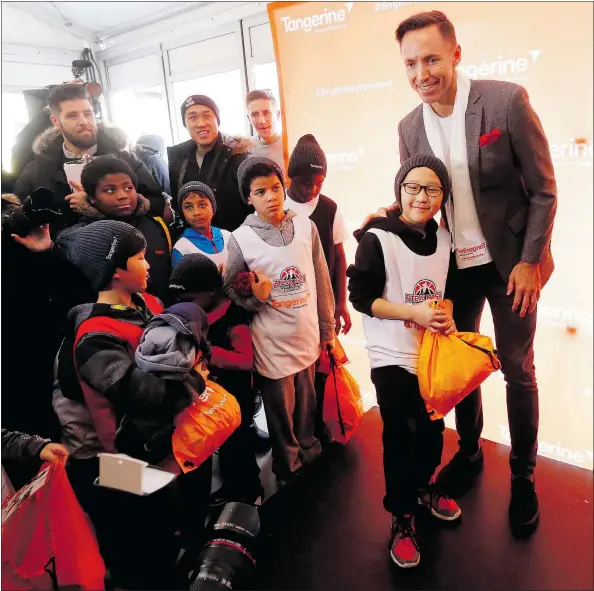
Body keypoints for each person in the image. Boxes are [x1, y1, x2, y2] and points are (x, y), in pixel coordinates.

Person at [362, 10, 557, 537]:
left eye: (430, 58)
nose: (421, 72)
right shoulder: (408, 127)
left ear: (455, 54)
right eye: (410, 63)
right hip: (452, 269)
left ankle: (524, 475)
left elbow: (543, 190)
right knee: (456, 364)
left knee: (517, 368)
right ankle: (470, 453)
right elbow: (417, 197)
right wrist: (382, 218)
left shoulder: (505, 101)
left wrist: (529, 261)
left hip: (512, 265)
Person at [52, 220, 210, 589]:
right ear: (116, 270)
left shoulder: (148, 303)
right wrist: (197, 377)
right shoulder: (94, 338)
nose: (150, 263)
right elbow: (145, 394)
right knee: (141, 548)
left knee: (172, 519)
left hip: (161, 446)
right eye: (140, 257)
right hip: (116, 461)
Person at [348, 154, 461, 568]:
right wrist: (413, 313)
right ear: (399, 190)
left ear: (443, 196)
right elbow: (361, 299)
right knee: (400, 432)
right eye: (412, 187)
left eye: (432, 188)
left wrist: (443, 310)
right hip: (390, 354)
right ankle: (401, 515)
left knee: (432, 434)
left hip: (430, 354)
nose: (421, 196)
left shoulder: (446, 239)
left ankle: (423, 487)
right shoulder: (377, 237)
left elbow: (444, 291)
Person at [223, 157, 336, 486]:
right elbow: (231, 286)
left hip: (307, 335)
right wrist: (256, 298)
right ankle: (288, 467)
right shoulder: (241, 238)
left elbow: (321, 279)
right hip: (271, 342)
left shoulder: (305, 226)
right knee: (280, 412)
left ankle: (309, 452)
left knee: (307, 405)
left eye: (275, 188)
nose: (271, 196)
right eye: (261, 192)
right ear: (248, 198)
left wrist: (327, 330)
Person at [169, 253, 264, 505]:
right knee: (221, 447)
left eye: (189, 299)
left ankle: (249, 493)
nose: (183, 304)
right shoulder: (194, 314)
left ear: (211, 291)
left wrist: (207, 352)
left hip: (236, 397)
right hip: (211, 397)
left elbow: (246, 360)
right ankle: (232, 488)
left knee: (238, 446)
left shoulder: (233, 318)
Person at [14, 84, 165, 233]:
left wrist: (103, 202)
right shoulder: (37, 170)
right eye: (72, 116)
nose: (84, 122)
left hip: (125, 250)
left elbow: (158, 202)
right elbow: (16, 216)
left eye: (88, 113)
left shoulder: (126, 159)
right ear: (56, 122)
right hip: (57, 254)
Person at [284, 134, 351, 442]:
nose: (311, 190)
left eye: (319, 183)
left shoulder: (330, 208)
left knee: (323, 361)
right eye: (305, 183)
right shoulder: (278, 207)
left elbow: (339, 257)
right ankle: (296, 426)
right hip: (289, 302)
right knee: (293, 368)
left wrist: (340, 303)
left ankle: (317, 420)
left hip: (322, 303)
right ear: (290, 177)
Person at [56, 155, 173, 304]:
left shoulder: (156, 225)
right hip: (114, 321)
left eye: (128, 188)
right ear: (91, 197)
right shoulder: (81, 238)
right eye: (110, 190)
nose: (123, 196)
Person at [168, 94, 252, 231]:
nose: (201, 124)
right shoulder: (179, 157)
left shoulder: (238, 155)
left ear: (217, 120)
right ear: (185, 123)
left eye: (206, 116)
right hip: (195, 242)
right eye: (192, 117)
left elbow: (253, 205)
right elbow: (178, 205)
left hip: (235, 240)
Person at [171, 181, 231, 270]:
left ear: (213, 207)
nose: (196, 213)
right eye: (188, 207)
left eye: (202, 205)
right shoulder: (182, 249)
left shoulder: (228, 237)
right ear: (182, 213)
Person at [246, 89, 286, 176]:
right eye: (255, 114)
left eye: (266, 113)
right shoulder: (245, 150)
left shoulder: (291, 145)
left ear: (278, 115)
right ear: (249, 119)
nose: (261, 121)